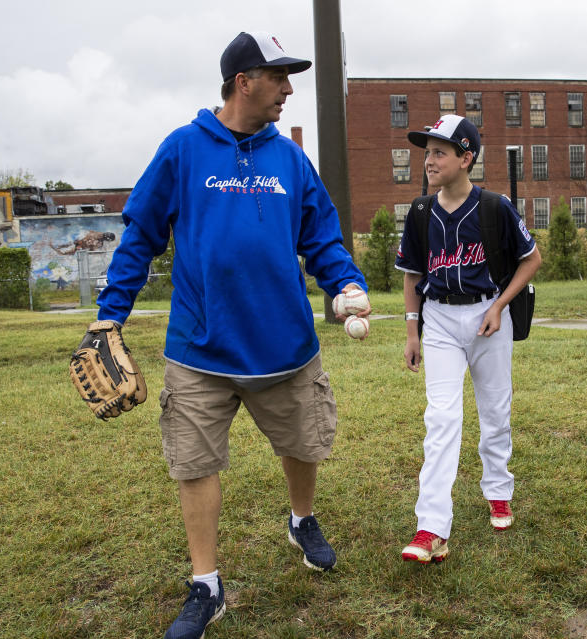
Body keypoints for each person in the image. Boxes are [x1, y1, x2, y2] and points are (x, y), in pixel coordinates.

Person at [93, 31, 369, 639]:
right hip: (200, 347)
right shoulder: (184, 150)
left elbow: (320, 236)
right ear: (243, 81)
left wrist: (345, 281)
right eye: (279, 77)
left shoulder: (291, 160)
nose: (289, 89)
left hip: (285, 346)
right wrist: (109, 313)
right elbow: (140, 233)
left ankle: (301, 519)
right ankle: (207, 585)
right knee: (195, 464)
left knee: (303, 444)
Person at [394, 114, 541, 563]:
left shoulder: (494, 207)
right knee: (441, 419)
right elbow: (412, 275)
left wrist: (499, 306)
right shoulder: (420, 211)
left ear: (466, 157)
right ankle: (431, 527)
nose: (429, 159)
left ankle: (498, 491)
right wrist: (411, 329)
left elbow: (531, 259)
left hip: (487, 315)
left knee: (495, 411)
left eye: (440, 151)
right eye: (428, 151)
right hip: (438, 318)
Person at [49, 230, 116, 255]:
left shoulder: (99, 241)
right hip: (79, 243)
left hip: (80, 244)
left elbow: (91, 250)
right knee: (65, 248)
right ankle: (54, 246)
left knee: (65, 251)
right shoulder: (96, 236)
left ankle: (55, 247)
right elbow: (91, 248)